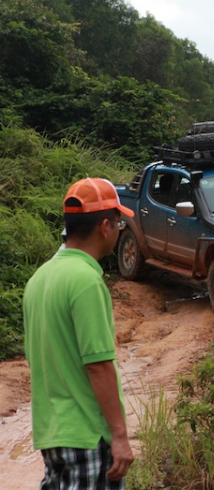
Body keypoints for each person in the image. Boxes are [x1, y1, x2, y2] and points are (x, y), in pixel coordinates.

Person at [24, 178, 136, 489]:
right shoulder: (86, 281)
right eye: (119, 224)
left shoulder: (40, 278)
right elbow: (98, 365)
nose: (118, 231)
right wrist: (120, 436)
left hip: (52, 435)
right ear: (105, 226)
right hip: (88, 435)